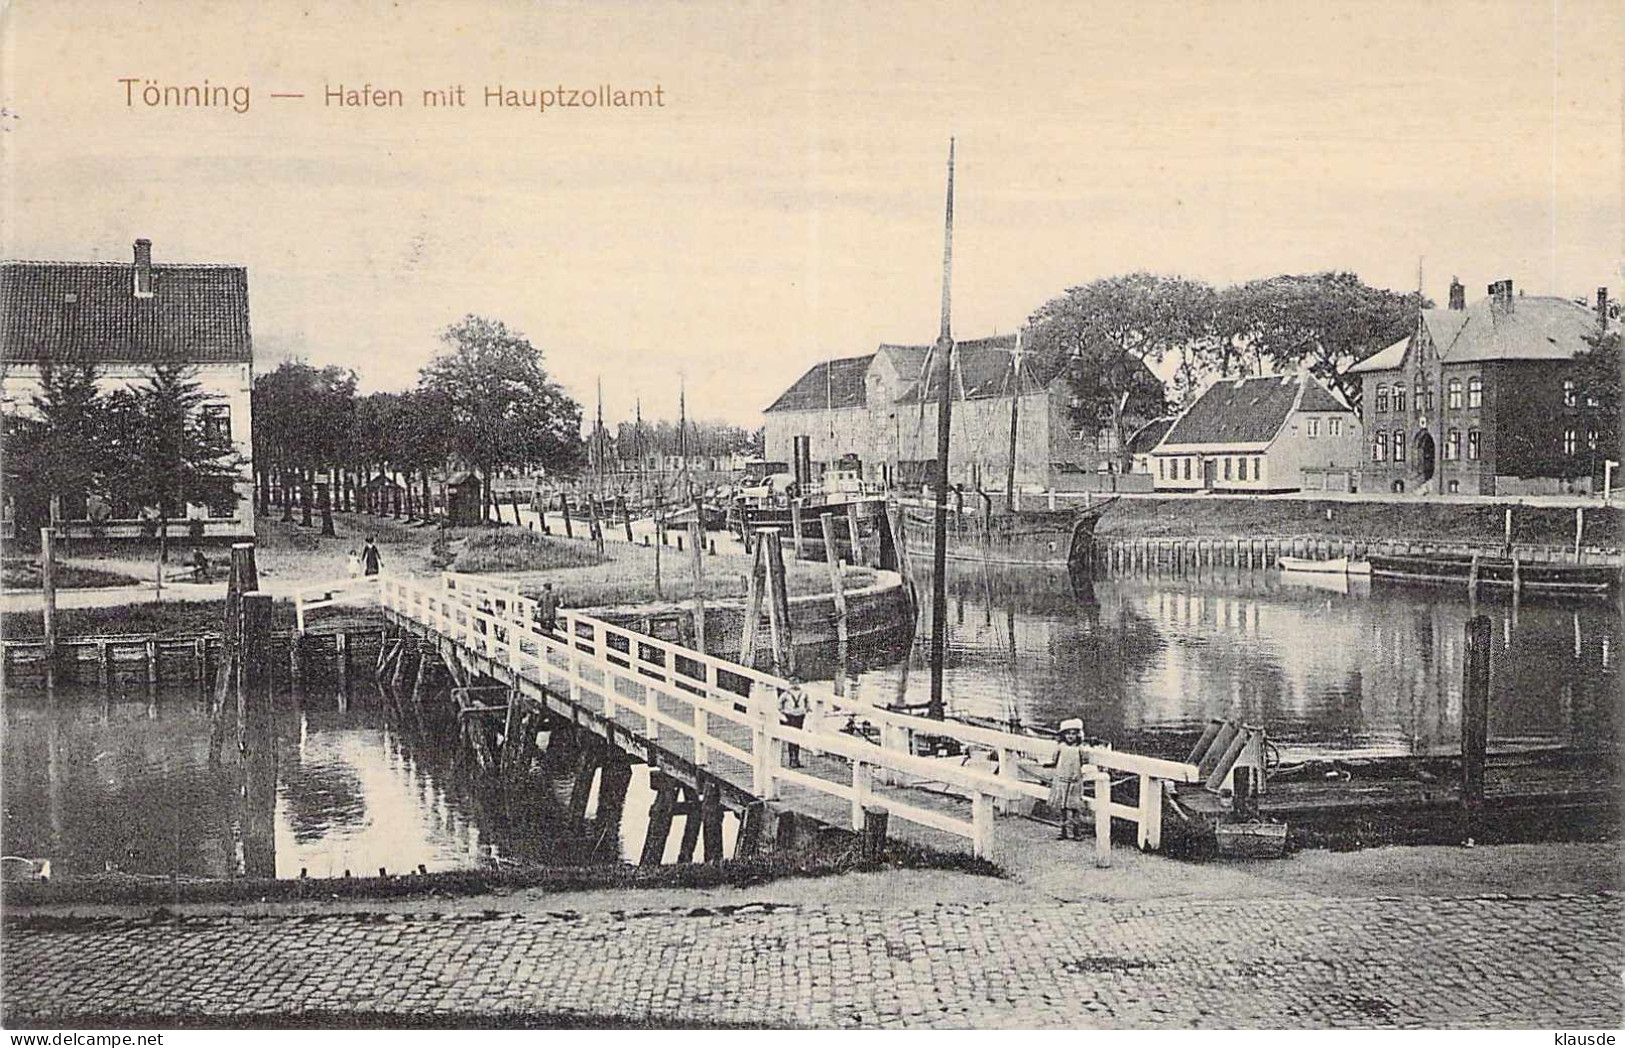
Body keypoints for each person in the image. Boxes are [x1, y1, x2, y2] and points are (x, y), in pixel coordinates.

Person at [1047, 718, 1088, 840]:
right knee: (1063, 807)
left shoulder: (1080, 748)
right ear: (1063, 735)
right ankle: (1063, 831)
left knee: (1075, 807)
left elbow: (1083, 761)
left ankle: (1076, 831)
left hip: (1075, 781)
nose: (1071, 736)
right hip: (1062, 780)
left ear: (1078, 735)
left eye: (1074, 733)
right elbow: (1054, 760)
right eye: (1068, 733)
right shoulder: (1060, 747)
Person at [779, 686, 810, 769]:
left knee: (797, 738)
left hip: (800, 716)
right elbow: (779, 705)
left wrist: (805, 710)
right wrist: (784, 712)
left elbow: (807, 704)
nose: (795, 684)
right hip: (790, 716)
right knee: (791, 738)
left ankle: (796, 759)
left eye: (797, 682)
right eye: (793, 682)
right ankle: (792, 759)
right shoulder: (786, 694)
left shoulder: (803, 693)